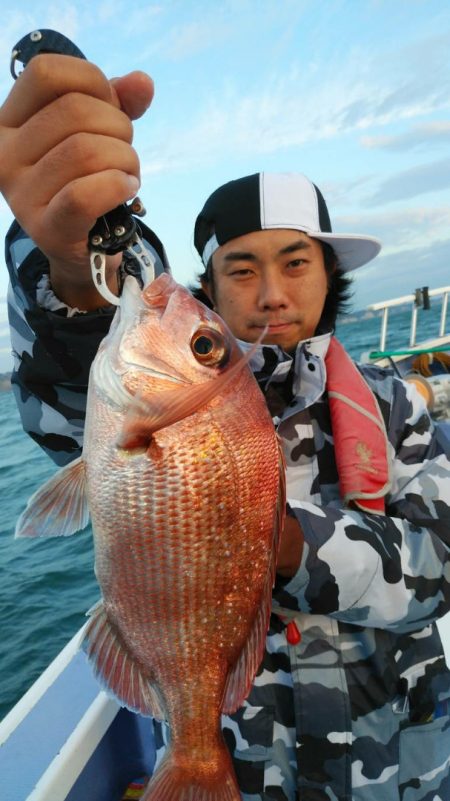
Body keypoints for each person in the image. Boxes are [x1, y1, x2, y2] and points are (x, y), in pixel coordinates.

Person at [2, 54, 450, 801]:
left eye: (296, 263)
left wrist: (277, 541)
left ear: (328, 275)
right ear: (207, 288)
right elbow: (65, 389)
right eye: (241, 269)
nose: (272, 293)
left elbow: (441, 558)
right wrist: (70, 268)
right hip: (241, 771)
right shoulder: (136, 389)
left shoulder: (397, 402)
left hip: (400, 773)